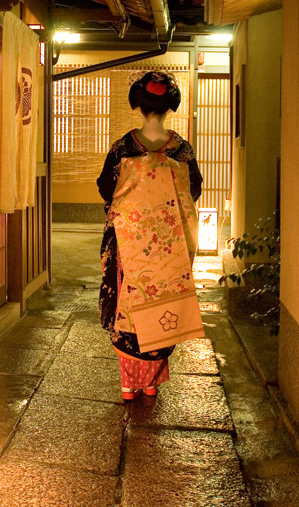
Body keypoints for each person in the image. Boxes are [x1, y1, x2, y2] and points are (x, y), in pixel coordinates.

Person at [97, 71, 204, 401]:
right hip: (169, 245)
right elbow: (194, 190)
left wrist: (135, 208)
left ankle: (128, 384)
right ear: (170, 106)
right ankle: (153, 381)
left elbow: (105, 187)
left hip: (129, 243)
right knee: (163, 304)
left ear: (138, 105)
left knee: (126, 305)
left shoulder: (124, 147)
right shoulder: (181, 151)